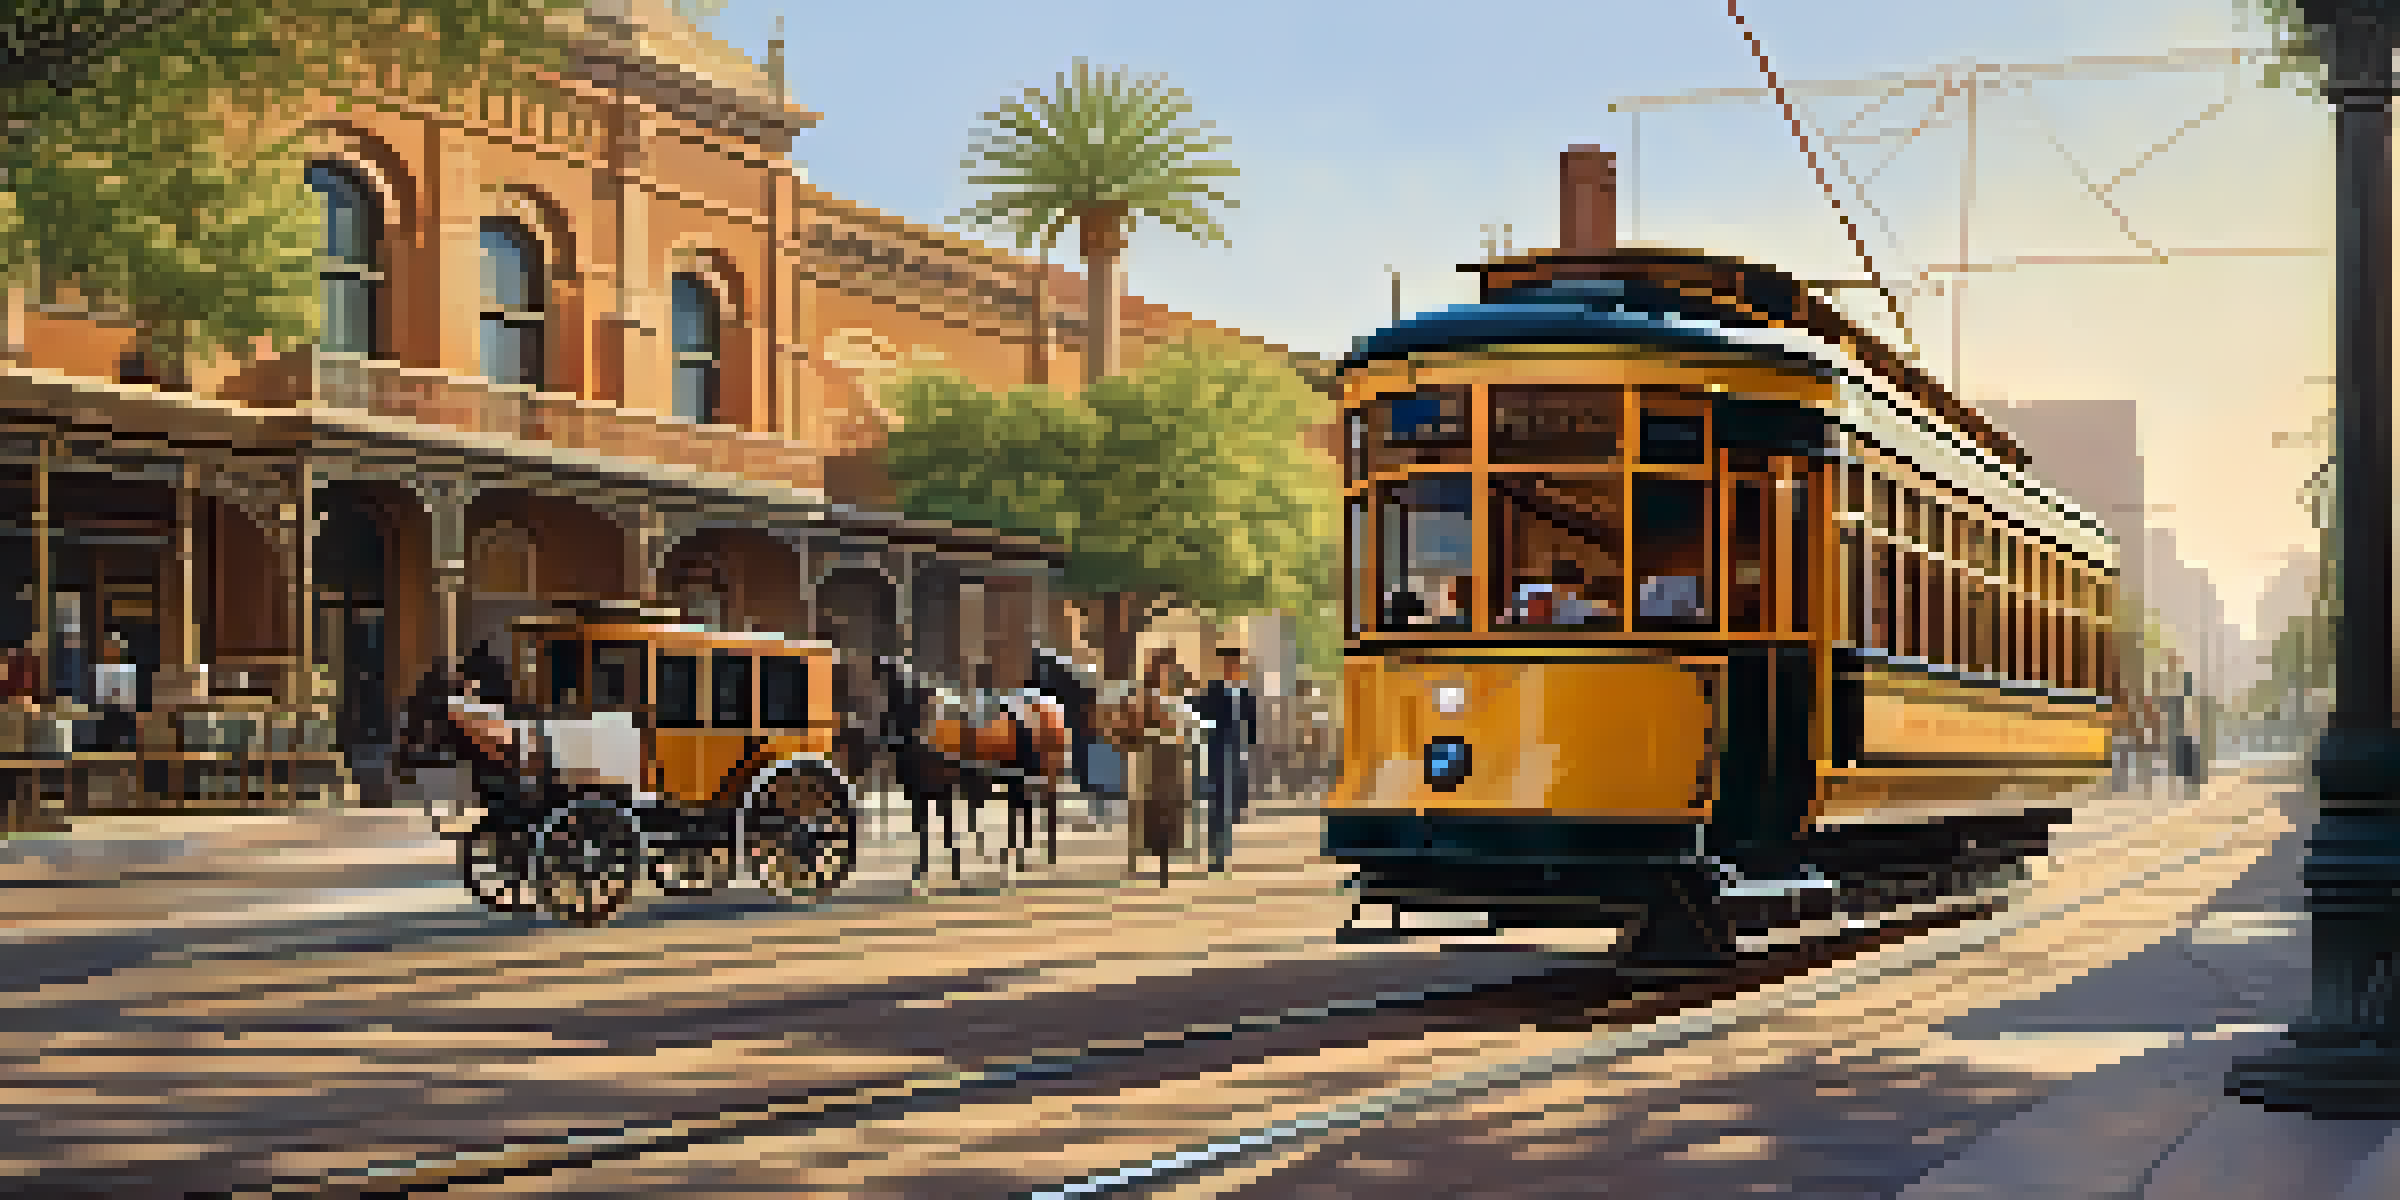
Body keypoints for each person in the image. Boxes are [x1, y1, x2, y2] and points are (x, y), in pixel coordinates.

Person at [1191, 648, 1259, 873]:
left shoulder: (1247, 694)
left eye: (1235, 664)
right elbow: (1197, 709)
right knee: (1217, 806)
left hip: (1239, 757)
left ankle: (1223, 847)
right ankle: (1216, 854)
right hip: (1217, 755)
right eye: (1228, 664)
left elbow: (1253, 729)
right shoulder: (1213, 690)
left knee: (1232, 806)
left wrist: (1250, 751)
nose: (1232, 668)